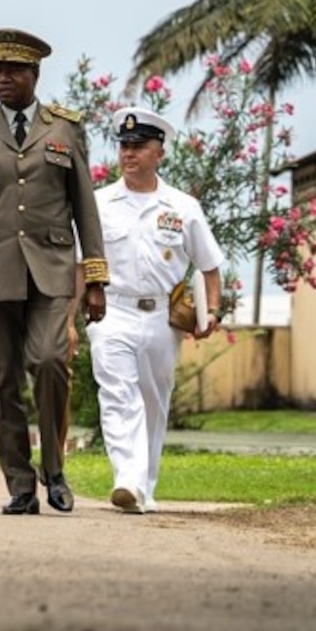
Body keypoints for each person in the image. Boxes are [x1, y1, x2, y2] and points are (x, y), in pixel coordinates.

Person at [0, 28, 108, 516]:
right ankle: (19, 483)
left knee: (52, 359)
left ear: (35, 74)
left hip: (52, 269)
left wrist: (94, 279)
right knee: (1, 381)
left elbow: (85, 207)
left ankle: (54, 470)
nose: (3, 79)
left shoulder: (64, 129)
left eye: (13, 70)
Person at [87, 107, 222, 513]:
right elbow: (82, 263)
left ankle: (143, 487)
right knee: (116, 395)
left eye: (139, 146)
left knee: (152, 401)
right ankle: (126, 479)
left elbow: (209, 264)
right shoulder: (99, 203)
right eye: (124, 146)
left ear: (159, 153)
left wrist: (211, 311)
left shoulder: (182, 206)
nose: (129, 153)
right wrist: (69, 317)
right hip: (112, 311)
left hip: (163, 317)